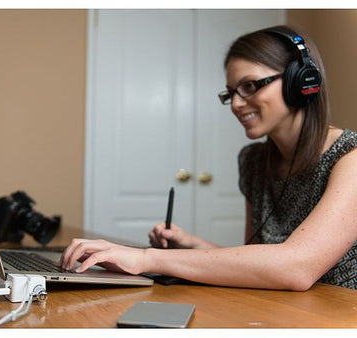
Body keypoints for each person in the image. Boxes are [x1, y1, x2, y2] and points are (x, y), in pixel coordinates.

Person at [59, 25, 357, 291]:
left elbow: (297, 267)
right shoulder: (253, 161)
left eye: (250, 86)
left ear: (301, 81)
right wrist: (192, 245)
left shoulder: (350, 157)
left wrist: (146, 258)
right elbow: (261, 260)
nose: (237, 104)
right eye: (231, 93)